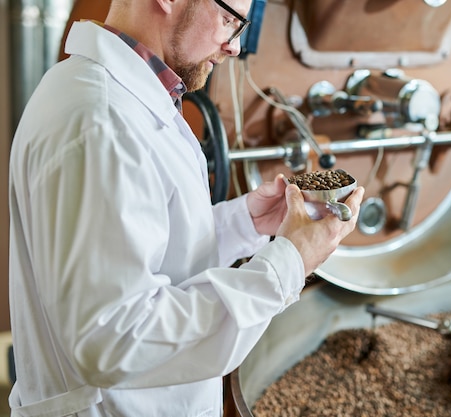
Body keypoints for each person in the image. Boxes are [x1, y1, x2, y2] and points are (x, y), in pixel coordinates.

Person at [7, 0, 364, 415]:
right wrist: (287, 264)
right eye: (230, 18)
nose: (233, 46)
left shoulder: (120, 97)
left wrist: (243, 222)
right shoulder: (102, 123)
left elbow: (146, 243)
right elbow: (115, 338)